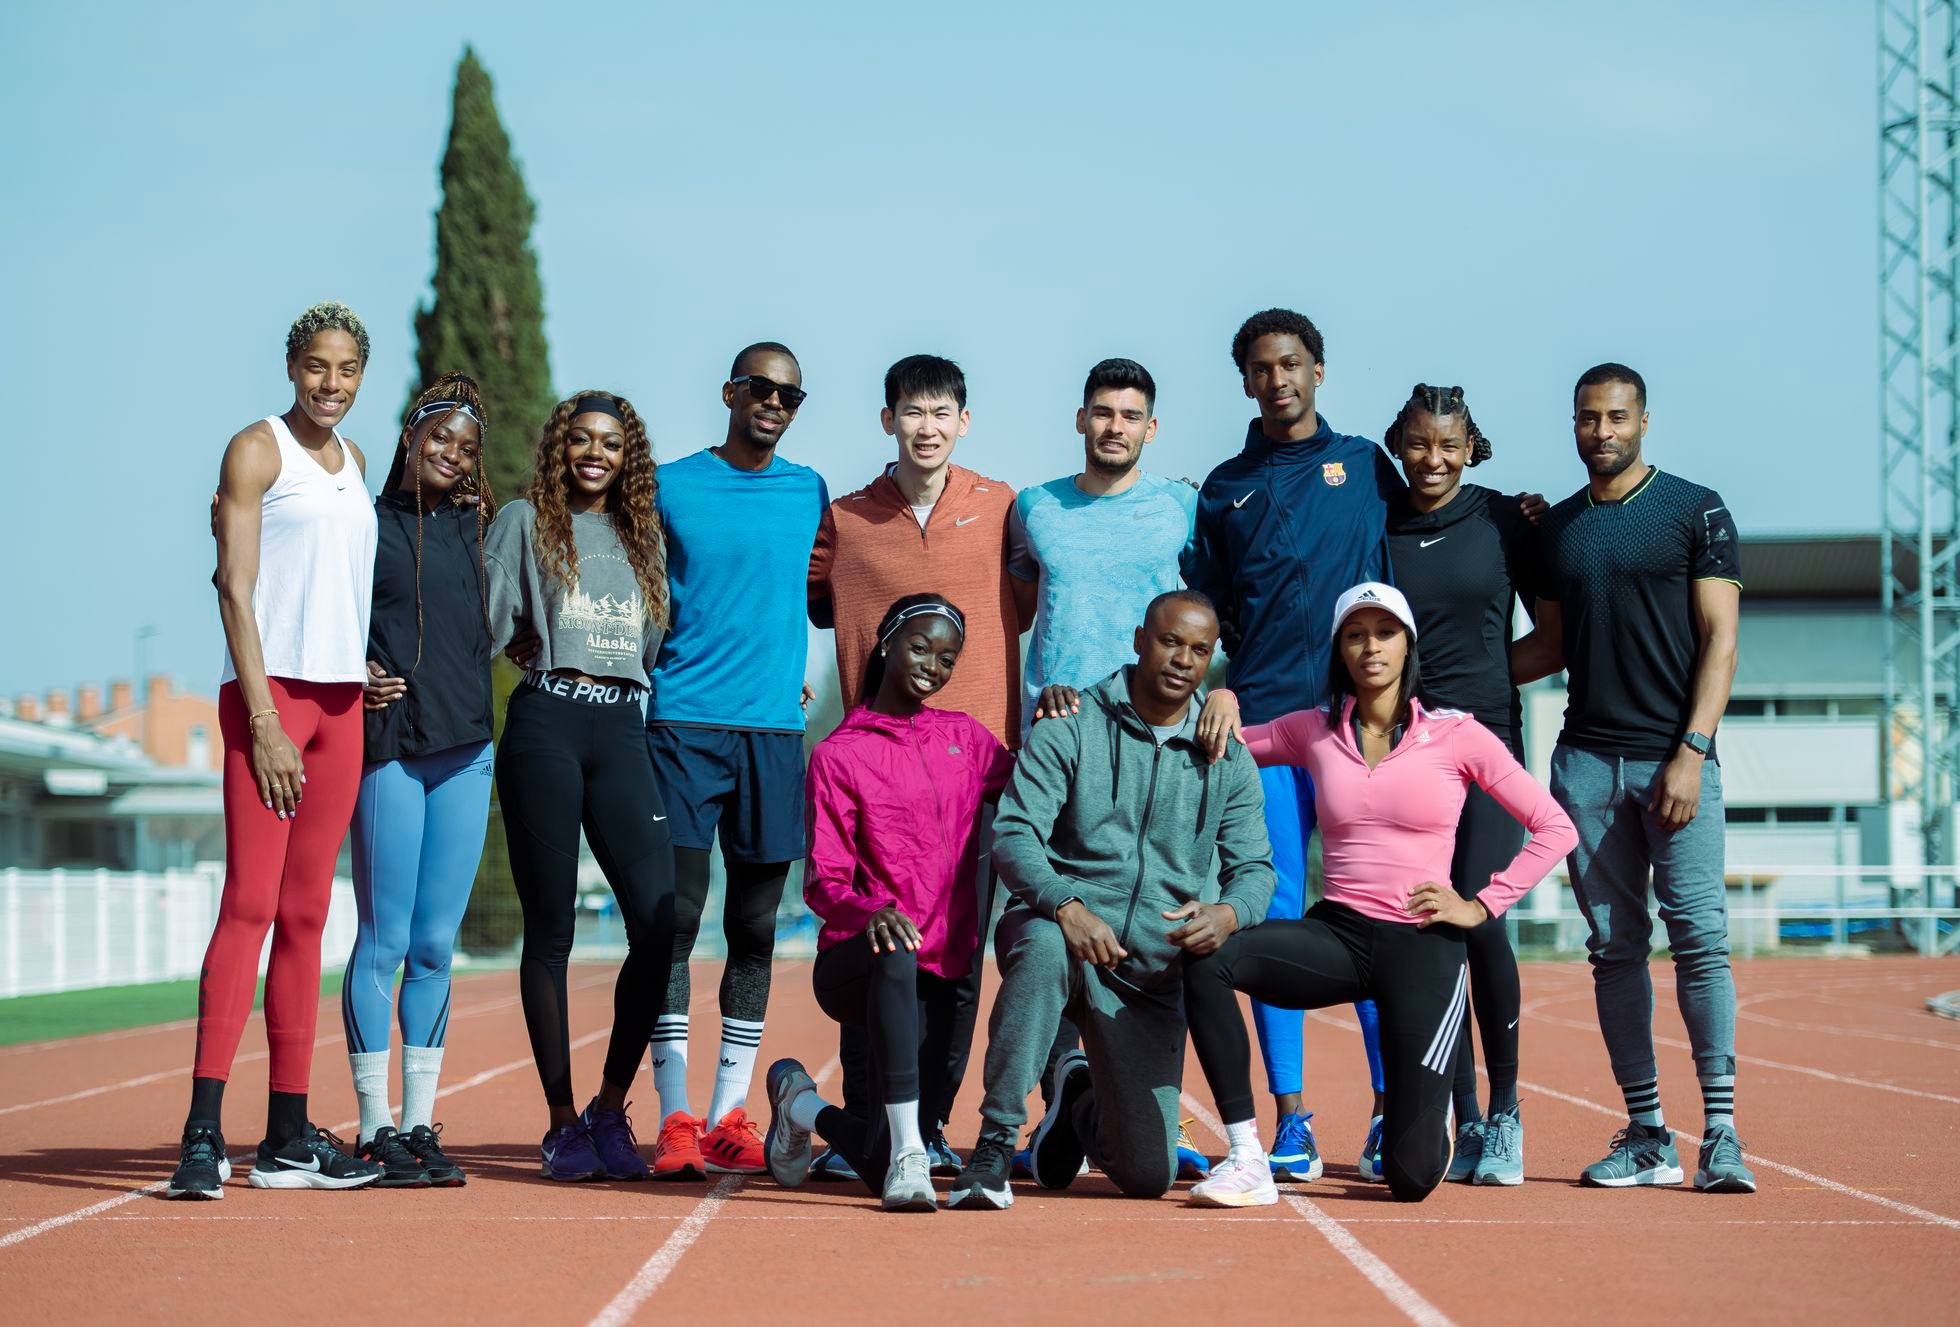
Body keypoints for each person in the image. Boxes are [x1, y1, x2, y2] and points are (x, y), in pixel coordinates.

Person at [1183, 582, 1575, 1206]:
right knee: (1207, 958)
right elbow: (1221, 745)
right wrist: (1222, 694)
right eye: (1356, 634)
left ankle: (1420, 1126)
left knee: (1410, 1178)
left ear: (1407, 645)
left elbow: (1556, 827)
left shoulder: (1457, 735)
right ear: (1339, 649)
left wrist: (1479, 905)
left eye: (1385, 633)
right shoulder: (1312, 730)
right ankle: (1247, 1152)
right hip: (1338, 934)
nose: (1371, 647)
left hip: (1423, 944)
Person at [944, 591, 1275, 1211]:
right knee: (1042, 945)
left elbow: (1255, 868)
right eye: (1170, 641)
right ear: (1138, 639)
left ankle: (1075, 1099)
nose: (1182, 660)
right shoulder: (1072, 722)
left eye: (1198, 650)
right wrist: (1067, 905)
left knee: (1148, 1174)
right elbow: (1015, 834)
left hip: (1149, 971)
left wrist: (1228, 912)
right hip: (1060, 929)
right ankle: (991, 1146)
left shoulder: (1227, 756)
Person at [167, 301, 385, 1198]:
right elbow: (235, 589)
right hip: (272, 702)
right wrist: (261, 721)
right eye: (316, 367)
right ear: (292, 365)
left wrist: (360, 664)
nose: (330, 385)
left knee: (306, 917)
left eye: (346, 371)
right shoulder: (257, 450)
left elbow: (334, 584)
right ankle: (202, 1134)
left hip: (342, 707)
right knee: (250, 903)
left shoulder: (357, 464)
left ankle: (289, 1133)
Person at [1180, 308, 1400, 1183]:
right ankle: (1293, 1120)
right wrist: (1220, 683)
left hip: (1361, 730)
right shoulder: (1224, 486)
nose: (1279, 379)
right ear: (1245, 380)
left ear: (1319, 370)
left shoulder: (1370, 469)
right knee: (1273, 919)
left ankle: (1391, 1110)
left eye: (1293, 364)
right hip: (1265, 732)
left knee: (1375, 918)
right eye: (1263, 367)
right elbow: (1208, 610)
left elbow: (1441, 509)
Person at [1528, 363, 1752, 1193]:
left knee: (1698, 939)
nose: (1602, 432)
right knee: (1614, 948)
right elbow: (1546, 648)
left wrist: (1691, 751)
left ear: (1645, 421)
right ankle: (1649, 1131)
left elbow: (1720, 642)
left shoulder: (1696, 508)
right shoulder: (1556, 531)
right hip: (1584, 764)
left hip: (1675, 760)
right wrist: (1436, 677)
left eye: (1617, 417)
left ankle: (1722, 1133)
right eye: (1588, 419)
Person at [804, 354, 1023, 1179]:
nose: (925, 426)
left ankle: (924, 1127)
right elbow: (803, 596)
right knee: (879, 932)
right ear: (887, 418)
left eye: (941, 411)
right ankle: (869, 1123)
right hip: (873, 769)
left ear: (963, 421)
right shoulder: (845, 518)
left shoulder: (1003, 508)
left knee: (959, 958)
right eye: (911, 410)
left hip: (975, 774)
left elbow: (1039, 597)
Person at [1008, 357, 1210, 1177]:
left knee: (1165, 918)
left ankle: (1137, 1092)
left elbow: (1211, 611)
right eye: (1102, 412)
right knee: (1058, 915)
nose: (1115, 426)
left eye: (1130, 414)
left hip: (1164, 744)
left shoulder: (1180, 508)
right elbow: (1011, 611)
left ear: (1151, 428)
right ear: (1081, 420)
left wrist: (1221, 698)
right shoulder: (1034, 511)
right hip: (1061, 739)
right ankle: (1064, 1072)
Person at [763, 594, 1014, 1211]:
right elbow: (822, 882)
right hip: (863, 964)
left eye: (947, 656)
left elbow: (1039, 781)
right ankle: (909, 1154)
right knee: (896, 948)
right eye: (920, 647)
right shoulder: (839, 754)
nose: (933, 664)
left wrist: (1067, 718)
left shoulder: (966, 739)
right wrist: (870, 911)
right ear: (885, 644)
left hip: (948, 968)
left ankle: (799, 1103)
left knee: (880, 1155)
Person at [647, 344, 829, 1179]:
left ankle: (729, 1113)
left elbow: (833, 593)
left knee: (754, 928)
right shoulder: (670, 484)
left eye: (791, 395)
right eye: (761, 388)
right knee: (673, 924)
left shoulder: (809, 491)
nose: (775, 403)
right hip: (681, 725)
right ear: (730, 391)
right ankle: (675, 1113)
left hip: (770, 735)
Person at [485, 390, 676, 1183]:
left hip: (622, 729)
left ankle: (608, 1105)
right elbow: (486, 628)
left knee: (661, 924)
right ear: (561, 446)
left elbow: (655, 645)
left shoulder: (644, 539)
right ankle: (562, 1122)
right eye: (581, 440)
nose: (594, 453)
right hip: (548, 727)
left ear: (627, 456)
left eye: (610, 443)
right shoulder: (526, 521)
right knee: (552, 931)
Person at [1378, 383, 1556, 1186]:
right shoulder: (1379, 523)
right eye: (1418, 443)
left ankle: (1509, 1113)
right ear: (1399, 444)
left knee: (1482, 920)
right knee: (1430, 932)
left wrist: (1479, 690)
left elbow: (1551, 641)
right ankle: (1467, 1117)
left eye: (1449, 445)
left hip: (1486, 748)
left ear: (1472, 446)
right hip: (1406, 752)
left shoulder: (1507, 520)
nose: (1433, 459)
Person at [339, 373, 498, 1188]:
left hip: (468, 749)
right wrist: (354, 670)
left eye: (467, 447)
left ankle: (416, 1122)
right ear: (411, 435)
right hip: (391, 748)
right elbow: (318, 613)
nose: (452, 453)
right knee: (386, 939)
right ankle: (372, 1129)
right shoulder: (362, 525)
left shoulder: (482, 530)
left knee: (436, 945)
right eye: (440, 437)